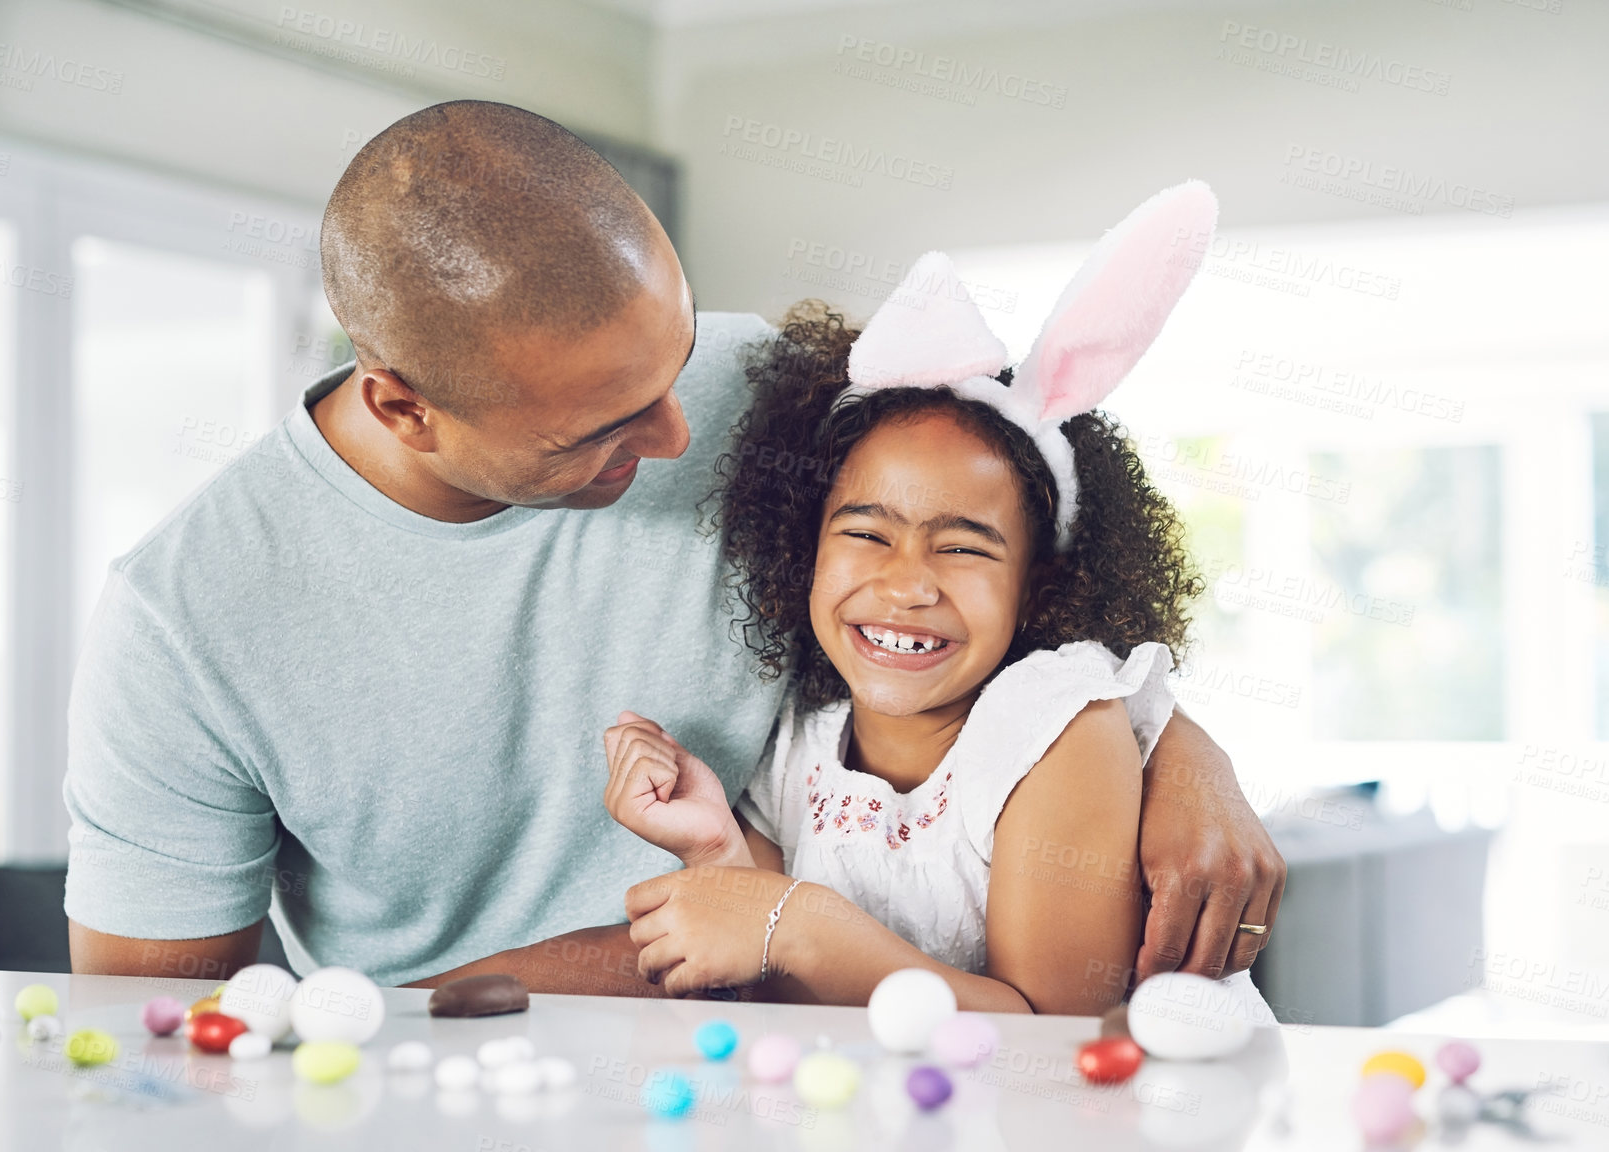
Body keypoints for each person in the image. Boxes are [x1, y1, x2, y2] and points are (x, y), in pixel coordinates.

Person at [65, 101, 1282, 992]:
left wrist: (1172, 748)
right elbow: (151, 1039)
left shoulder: (765, 387)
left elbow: (1023, 492)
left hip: (816, 1069)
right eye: (605, 427)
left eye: (678, 354)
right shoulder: (186, 619)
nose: (686, 427)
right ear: (404, 407)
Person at [603, 186, 1271, 1012]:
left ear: (1040, 588)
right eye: (867, 533)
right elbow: (776, 979)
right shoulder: (802, 745)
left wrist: (803, 923)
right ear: (802, 547)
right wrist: (715, 850)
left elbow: (1050, 1038)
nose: (908, 582)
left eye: (961, 547)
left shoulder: (1055, 731)